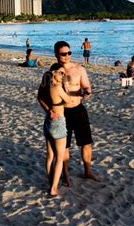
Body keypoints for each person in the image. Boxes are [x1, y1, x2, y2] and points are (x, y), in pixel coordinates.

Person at [38, 41, 99, 185]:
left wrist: (87, 92)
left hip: (79, 110)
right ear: (56, 55)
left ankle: (88, 172)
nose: (67, 56)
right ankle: (66, 175)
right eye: (63, 54)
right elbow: (40, 96)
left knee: (86, 143)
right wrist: (48, 111)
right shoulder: (50, 74)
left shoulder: (79, 69)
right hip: (62, 114)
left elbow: (86, 87)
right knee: (64, 147)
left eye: (69, 53)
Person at [42, 63, 71, 196]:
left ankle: (51, 182)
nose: (64, 75)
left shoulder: (46, 85)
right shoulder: (58, 87)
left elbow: (42, 98)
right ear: (54, 73)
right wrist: (66, 86)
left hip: (48, 122)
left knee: (50, 156)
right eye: (61, 73)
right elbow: (68, 100)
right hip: (58, 123)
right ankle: (53, 188)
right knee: (59, 158)